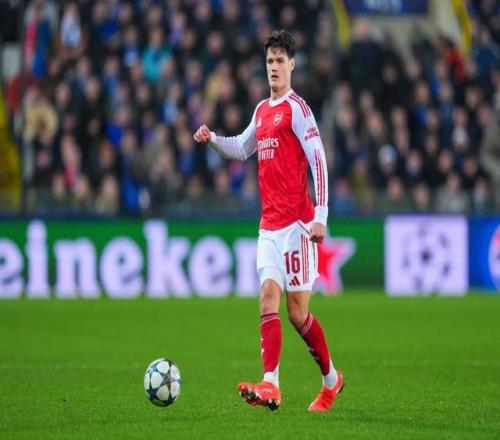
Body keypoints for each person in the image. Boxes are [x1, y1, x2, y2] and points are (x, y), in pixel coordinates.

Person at [194, 30, 343, 412]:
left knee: (298, 314)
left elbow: (318, 159)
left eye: (280, 60)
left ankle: (331, 380)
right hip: (269, 227)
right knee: (266, 299)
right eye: (269, 61)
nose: (274, 67)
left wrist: (321, 215)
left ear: (292, 64)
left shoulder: (298, 109)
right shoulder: (262, 110)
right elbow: (242, 148)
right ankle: (270, 384)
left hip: (298, 225)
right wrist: (213, 139)